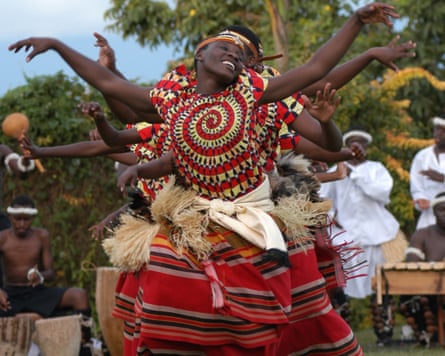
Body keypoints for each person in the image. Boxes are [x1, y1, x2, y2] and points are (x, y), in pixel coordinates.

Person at [9, 3, 401, 354]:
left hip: (252, 211)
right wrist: (60, 47)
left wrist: (356, 26)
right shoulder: (173, 102)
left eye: (243, 55)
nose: (235, 56)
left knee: (280, 310)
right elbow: (113, 94)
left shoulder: (253, 95)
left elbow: (316, 73)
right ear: (200, 55)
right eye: (225, 48)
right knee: (162, 272)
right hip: (196, 214)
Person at [319, 126, 404, 345]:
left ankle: (384, 335)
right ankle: (341, 336)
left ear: (366, 147)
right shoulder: (336, 169)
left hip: (379, 236)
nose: (357, 147)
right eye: (352, 143)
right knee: (340, 288)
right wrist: (330, 215)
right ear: (347, 147)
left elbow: (382, 193)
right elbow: (321, 198)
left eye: (361, 143)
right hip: (347, 238)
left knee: (381, 287)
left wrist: (355, 174)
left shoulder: (376, 169)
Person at [0, 195, 93, 354]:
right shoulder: (2, 238)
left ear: (33, 218)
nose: (22, 224)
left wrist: (40, 276)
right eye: (17, 219)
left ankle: (84, 343)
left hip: (37, 292)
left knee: (79, 295)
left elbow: (51, 272)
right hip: (10, 295)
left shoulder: (41, 236)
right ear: (10, 218)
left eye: (27, 219)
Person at [399, 191, 445, 346]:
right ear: (433, 212)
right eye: (442, 209)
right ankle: (427, 335)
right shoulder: (422, 235)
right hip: (430, 292)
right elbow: (412, 265)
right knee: (410, 294)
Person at [410, 114, 445, 229]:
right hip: (428, 218)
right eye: (436, 129)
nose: (438, 133)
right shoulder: (422, 156)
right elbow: (416, 185)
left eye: (443, 130)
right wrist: (420, 199)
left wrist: (442, 178)